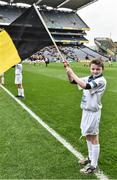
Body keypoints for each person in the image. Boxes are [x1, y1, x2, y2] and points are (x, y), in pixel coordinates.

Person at [63, 58, 107, 174]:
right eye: (93, 68)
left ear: (102, 69)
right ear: (90, 68)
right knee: (87, 135)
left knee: (93, 137)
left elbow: (85, 86)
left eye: (98, 69)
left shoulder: (101, 80)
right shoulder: (89, 77)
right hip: (85, 111)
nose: (95, 71)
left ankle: (93, 165)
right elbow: (73, 82)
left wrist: (72, 72)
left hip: (93, 112)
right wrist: (68, 72)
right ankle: (90, 157)